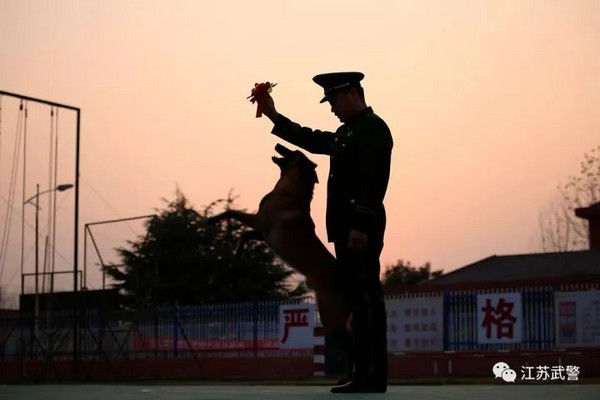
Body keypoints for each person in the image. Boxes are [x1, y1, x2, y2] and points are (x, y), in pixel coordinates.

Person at [258, 71, 393, 393]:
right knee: (358, 303)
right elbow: (313, 139)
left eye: (332, 99)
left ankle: (372, 376)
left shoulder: (373, 129)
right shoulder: (348, 133)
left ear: (350, 93)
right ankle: (363, 373)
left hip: (360, 228)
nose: (331, 107)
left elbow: (374, 182)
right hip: (346, 229)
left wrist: (360, 225)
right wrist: (274, 115)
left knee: (366, 301)